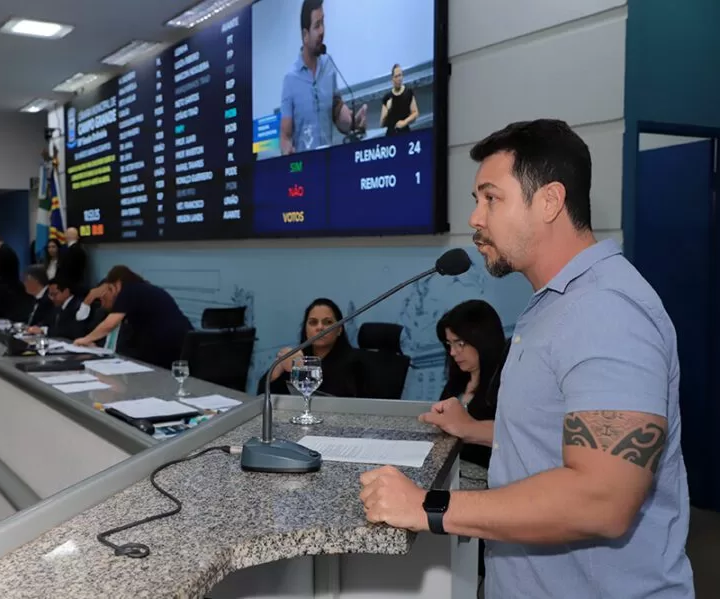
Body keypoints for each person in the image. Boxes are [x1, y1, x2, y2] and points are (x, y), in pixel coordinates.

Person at [359, 119, 694, 599]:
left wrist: (428, 506)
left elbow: (604, 499)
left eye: (491, 198)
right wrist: (472, 429)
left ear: (550, 201)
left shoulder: (606, 310)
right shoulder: (554, 304)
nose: (475, 217)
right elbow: (552, 432)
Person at [279, 0, 368, 155]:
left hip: (328, 162)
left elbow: (337, 111)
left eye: (323, 23)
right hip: (303, 165)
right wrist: (287, 151)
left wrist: (353, 123)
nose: (322, 31)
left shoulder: (329, 65)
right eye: (317, 25)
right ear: (305, 35)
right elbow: (285, 136)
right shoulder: (290, 80)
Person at [433, 299, 506, 469]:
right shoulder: (457, 381)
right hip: (451, 468)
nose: (453, 352)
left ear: (483, 340)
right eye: (449, 344)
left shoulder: (504, 386)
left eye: (460, 344)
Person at [73, 266, 193, 369]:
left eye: (108, 290)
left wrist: (86, 339)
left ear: (117, 284)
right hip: (175, 341)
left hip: (171, 343)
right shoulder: (142, 290)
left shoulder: (129, 290)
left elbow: (109, 324)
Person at [257, 298, 362, 397]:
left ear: (339, 330)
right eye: (313, 322)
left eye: (328, 322)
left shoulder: (357, 363)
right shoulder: (296, 358)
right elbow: (263, 397)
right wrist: (277, 370)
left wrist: (304, 373)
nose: (320, 327)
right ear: (305, 329)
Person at [380, 64, 419, 136]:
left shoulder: (408, 92)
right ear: (392, 79)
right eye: (396, 76)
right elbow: (382, 124)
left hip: (405, 132)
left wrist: (405, 122)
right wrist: (388, 111)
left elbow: (415, 113)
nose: (399, 78)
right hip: (391, 134)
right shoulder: (387, 97)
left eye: (400, 75)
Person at [57, 227, 87, 293]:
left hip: (70, 288)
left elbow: (67, 271)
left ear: (67, 236)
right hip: (76, 286)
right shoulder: (80, 250)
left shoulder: (70, 252)